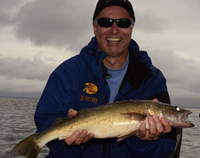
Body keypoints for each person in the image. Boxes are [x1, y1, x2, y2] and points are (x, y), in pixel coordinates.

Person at [34, 0, 182, 157]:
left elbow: (163, 149)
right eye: (106, 22)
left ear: (131, 28)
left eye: (123, 23)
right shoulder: (67, 73)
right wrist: (71, 144)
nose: (114, 30)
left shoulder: (152, 79)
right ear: (95, 27)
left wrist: (144, 140)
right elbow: (47, 125)